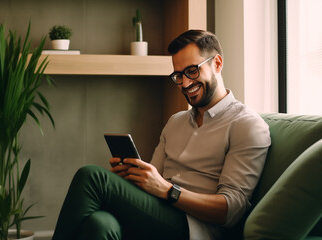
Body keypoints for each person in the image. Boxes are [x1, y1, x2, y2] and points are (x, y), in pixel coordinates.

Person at [52, 30, 271, 240]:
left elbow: (231, 210)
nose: (185, 83)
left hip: (195, 228)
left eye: (192, 71)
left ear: (217, 63)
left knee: (92, 176)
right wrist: (132, 177)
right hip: (160, 213)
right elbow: (153, 183)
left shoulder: (246, 125)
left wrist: (169, 191)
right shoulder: (176, 122)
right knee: (100, 223)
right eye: (178, 75)